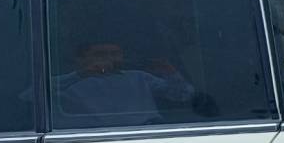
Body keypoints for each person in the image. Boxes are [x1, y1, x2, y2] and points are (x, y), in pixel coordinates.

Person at [54, 42, 194, 127]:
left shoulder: (139, 77)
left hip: (151, 135)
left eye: (115, 53)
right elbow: (40, 95)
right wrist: (81, 74)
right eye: (100, 54)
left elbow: (184, 95)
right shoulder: (72, 82)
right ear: (81, 59)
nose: (109, 59)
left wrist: (170, 72)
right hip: (95, 140)